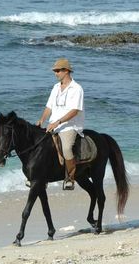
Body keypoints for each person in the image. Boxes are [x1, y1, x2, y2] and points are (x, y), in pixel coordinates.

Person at [36, 58, 84, 190]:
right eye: (55, 71)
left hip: (70, 126)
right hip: (53, 125)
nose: (55, 73)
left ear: (66, 71)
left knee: (67, 148)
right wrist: (42, 120)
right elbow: (49, 107)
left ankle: (70, 178)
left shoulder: (77, 88)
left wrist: (58, 122)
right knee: (39, 146)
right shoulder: (56, 87)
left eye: (57, 70)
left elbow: (74, 111)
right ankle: (42, 176)